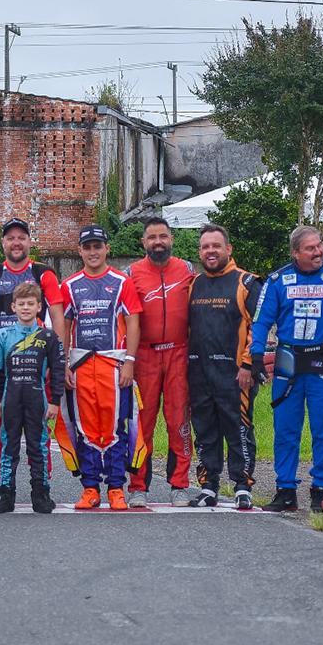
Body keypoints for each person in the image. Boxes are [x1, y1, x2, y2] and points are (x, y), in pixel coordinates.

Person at [0, 217, 65, 509]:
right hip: (5, 371)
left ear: (29, 241)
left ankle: (41, 490)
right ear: (3, 243)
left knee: (40, 438)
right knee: (3, 437)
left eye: (21, 238)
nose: (16, 243)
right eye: (10, 238)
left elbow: (58, 315)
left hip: (37, 370)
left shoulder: (43, 273)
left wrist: (59, 358)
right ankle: (3, 488)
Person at [250, 225, 323, 513]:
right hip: (288, 368)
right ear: (295, 253)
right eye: (310, 248)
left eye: (319, 246)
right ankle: (286, 490)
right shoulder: (278, 281)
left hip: (322, 367)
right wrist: (255, 356)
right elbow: (261, 321)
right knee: (286, 431)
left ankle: (320, 489)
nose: (318, 251)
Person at [61, 225, 142, 511]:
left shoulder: (122, 282)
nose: (93, 252)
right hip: (81, 365)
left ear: (107, 248)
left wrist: (130, 361)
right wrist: (63, 364)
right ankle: (90, 488)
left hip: (113, 364)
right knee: (85, 429)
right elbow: (64, 326)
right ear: (79, 251)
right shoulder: (69, 285)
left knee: (115, 427)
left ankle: (116, 488)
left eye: (98, 246)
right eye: (87, 247)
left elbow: (133, 322)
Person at [187, 224, 262, 510]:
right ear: (199, 252)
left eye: (216, 246)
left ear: (228, 249)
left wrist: (248, 366)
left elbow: (259, 327)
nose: (211, 251)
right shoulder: (194, 284)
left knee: (238, 430)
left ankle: (243, 486)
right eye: (205, 247)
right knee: (205, 432)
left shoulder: (247, 282)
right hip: (199, 373)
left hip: (236, 375)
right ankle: (208, 486)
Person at [127, 217, 196, 507]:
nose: (158, 242)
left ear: (172, 239)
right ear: (143, 242)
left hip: (179, 353)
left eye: (163, 236)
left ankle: (179, 484)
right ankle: (137, 486)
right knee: (142, 423)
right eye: (152, 237)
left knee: (179, 421)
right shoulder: (131, 273)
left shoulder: (187, 269)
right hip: (145, 355)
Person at [0, 281, 64, 515]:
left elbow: (58, 370)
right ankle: (5, 493)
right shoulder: (3, 335)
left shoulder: (48, 336)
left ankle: (41, 494)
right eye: (22, 304)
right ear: (13, 307)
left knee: (38, 446)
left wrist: (55, 401)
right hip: (10, 399)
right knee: (8, 446)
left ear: (39, 307)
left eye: (31, 304)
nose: (26, 308)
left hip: (37, 398)